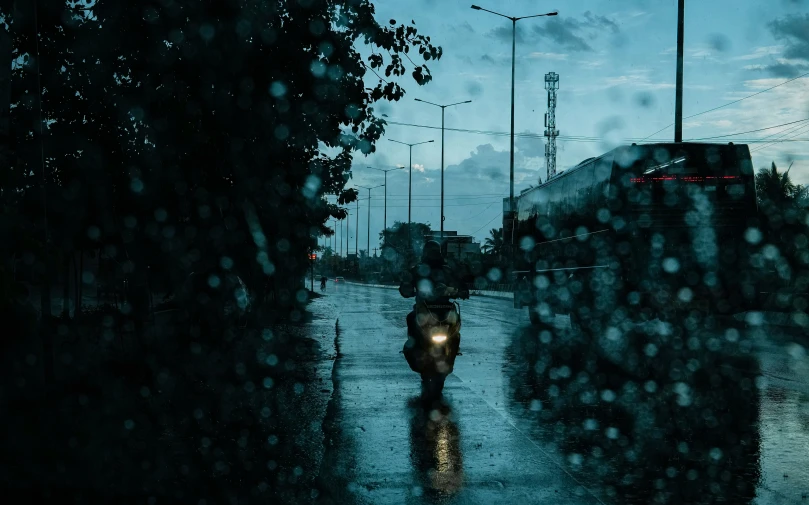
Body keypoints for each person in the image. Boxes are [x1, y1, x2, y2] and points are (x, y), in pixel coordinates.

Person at [399, 240, 469, 354]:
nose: (433, 255)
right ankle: (412, 344)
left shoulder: (447, 270)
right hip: (424, 307)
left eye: (436, 252)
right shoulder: (417, 270)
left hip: (445, 307)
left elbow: (460, 283)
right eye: (431, 252)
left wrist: (463, 291)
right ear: (425, 253)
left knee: (456, 320)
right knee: (411, 318)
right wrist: (406, 288)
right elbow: (406, 287)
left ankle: (455, 345)